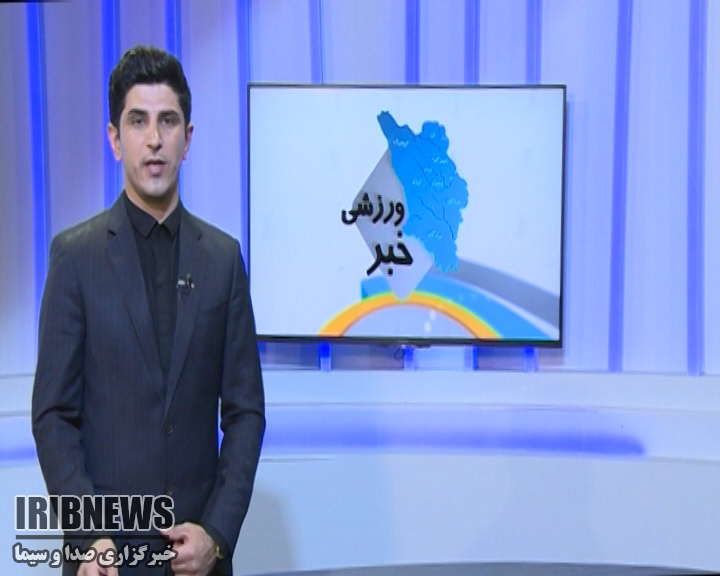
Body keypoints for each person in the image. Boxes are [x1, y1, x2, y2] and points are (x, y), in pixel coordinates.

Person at [31, 45, 265, 576]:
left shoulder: (223, 260)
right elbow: (53, 415)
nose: (154, 139)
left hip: (197, 560)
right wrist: (87, 535)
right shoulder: (75, 257)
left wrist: (216, 535)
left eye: (168, 121)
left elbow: (246, 412)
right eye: (137, 121)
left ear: (188, 138)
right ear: (115, 139)